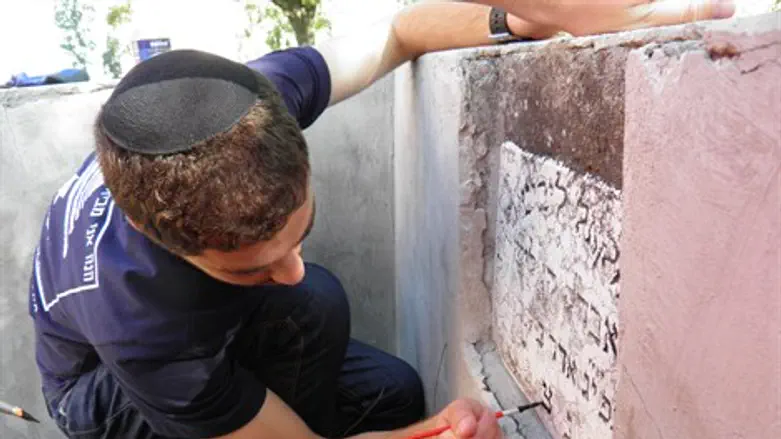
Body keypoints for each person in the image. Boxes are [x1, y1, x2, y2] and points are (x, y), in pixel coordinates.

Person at [28, 1, 734, 438]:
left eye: (298, 233)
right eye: (249, 265)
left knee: (372, 365)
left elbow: (398, 31)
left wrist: (522, 20)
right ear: (165, 241)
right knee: (317, 310)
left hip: (183, 334)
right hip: (104, 395)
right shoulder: (149, 327)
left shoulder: (246, 105)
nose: (289, 266)